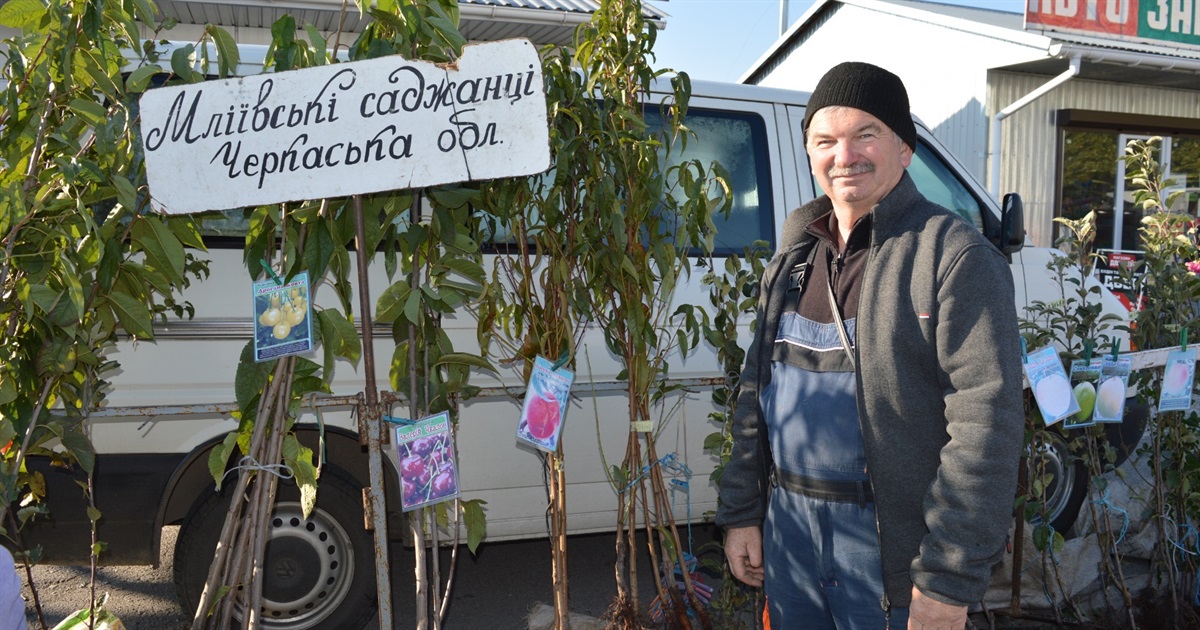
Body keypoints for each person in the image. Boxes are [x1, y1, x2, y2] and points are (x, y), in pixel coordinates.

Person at [715, 61, 1025, 629]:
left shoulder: (953, 257)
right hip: (790, 541)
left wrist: (947, 583)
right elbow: (753, 395)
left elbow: (986, 430)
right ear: (809, 154)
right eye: (825, 140)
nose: (844, 155)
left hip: (889, 553)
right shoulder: (793, 261)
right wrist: (742, 515)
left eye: (866, 134)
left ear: (905, 149)